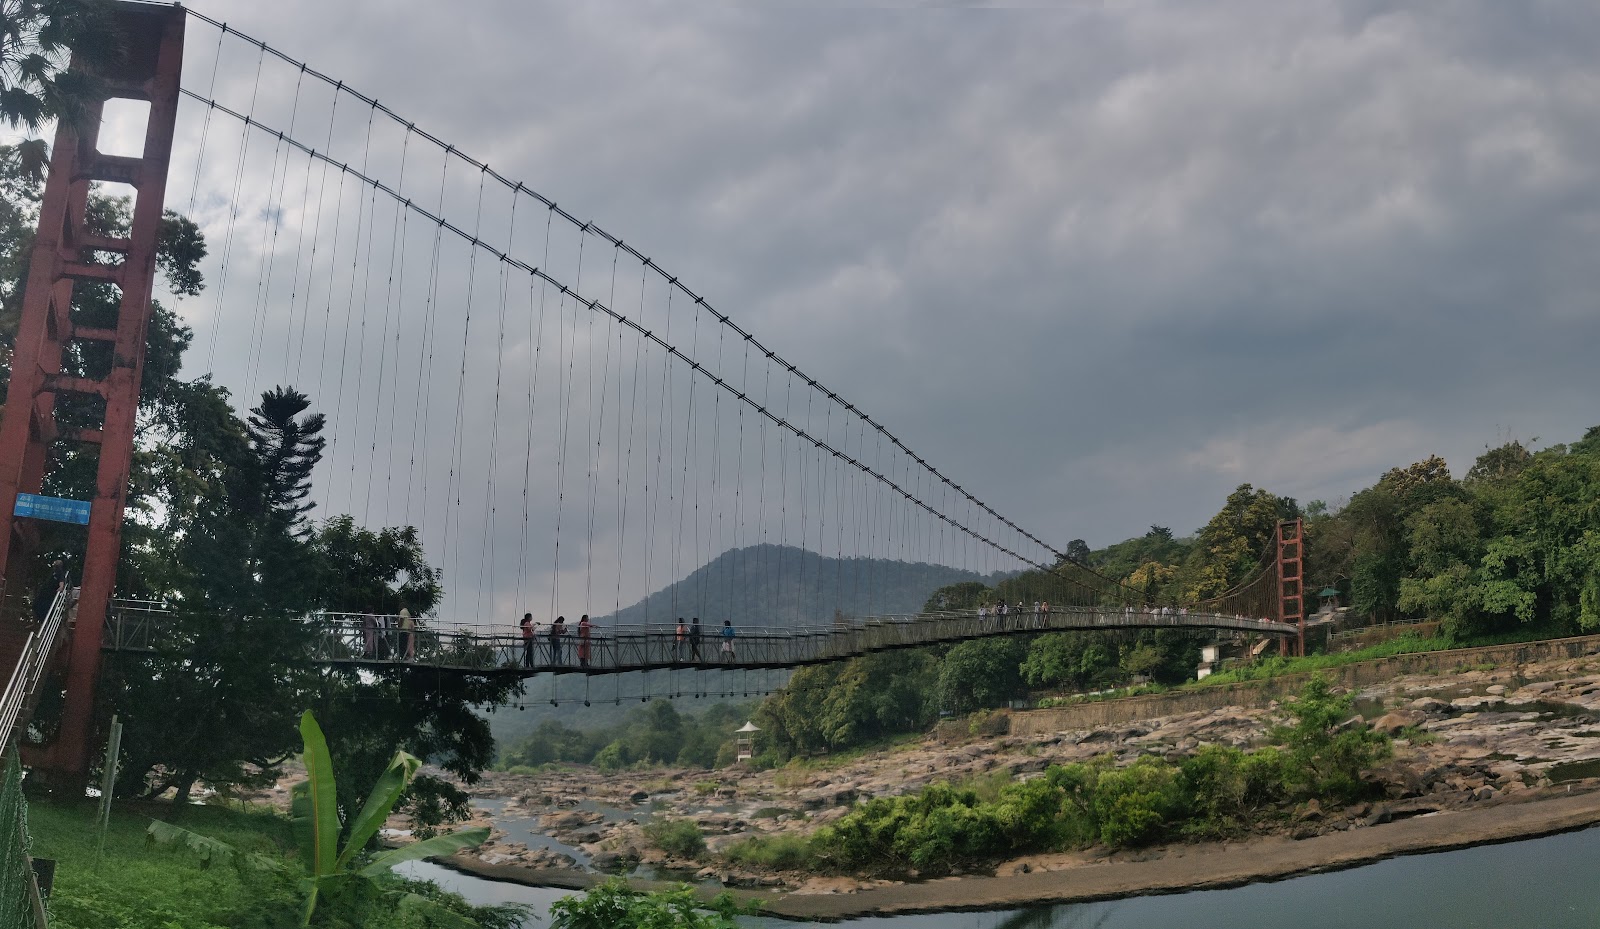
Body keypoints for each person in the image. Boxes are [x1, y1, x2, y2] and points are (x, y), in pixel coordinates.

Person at [33, 558, 67, 623]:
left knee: (45, 608)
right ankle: (39, 621)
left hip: (50, 594)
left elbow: (61, 581)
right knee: (36, 605)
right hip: (44, 592)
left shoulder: (59, 572)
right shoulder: (52, 572)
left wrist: (61, 587)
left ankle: (44, 623)